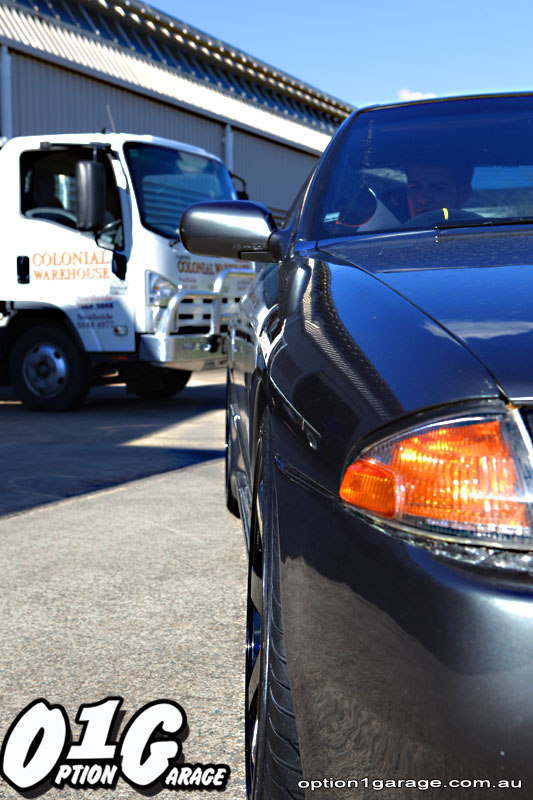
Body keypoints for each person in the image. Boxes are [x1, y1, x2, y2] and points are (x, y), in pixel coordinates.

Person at [405, 161, 473, 218]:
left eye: (438, 188)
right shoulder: (396, 232)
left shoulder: (480, 232)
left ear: (463, 194)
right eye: (415, 188)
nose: (423, 200)